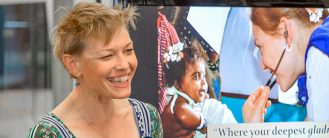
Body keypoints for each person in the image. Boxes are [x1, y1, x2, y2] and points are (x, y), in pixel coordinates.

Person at [27, 2, 162, 138]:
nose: (124, 65)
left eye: (128, 50)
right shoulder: (48, 134)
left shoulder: (148, 118)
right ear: (72, 64)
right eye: (107, 56)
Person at [251, 8, 329, 121]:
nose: (262, 66)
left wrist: (252, 130)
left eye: (260, 47)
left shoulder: (323, 56)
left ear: (286, 31)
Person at [161, 38, 271, 138]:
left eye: (204, 76)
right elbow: (183, 114)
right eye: (196, 77)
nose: (204, 82)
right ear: (177, 84)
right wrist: (202, 124)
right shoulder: (179, 105)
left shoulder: (212, 110)